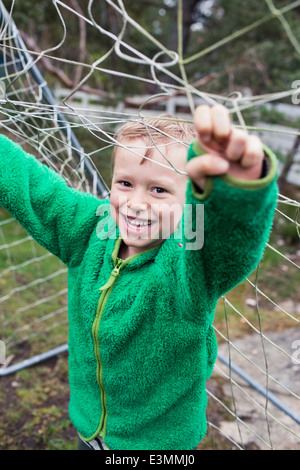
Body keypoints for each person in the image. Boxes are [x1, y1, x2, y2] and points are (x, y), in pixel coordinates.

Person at [0, 104, 278, 450]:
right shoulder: (92, 230)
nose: (135, 203)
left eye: (158, 190)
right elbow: (37, 191)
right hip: (89, 428)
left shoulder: (187, 265)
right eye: (126, 183)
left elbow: (226, 244)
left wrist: (237, 193)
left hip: (156, 444)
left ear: (191, 202)